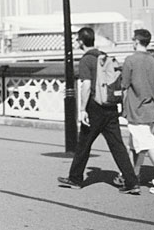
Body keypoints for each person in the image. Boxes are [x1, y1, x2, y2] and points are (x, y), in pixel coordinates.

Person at [57, 27, 139, 193]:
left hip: (94, 107)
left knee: (84, 144)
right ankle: (132, 182)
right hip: (110, 106)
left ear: (80, 41)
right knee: (118, 146)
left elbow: (86, 85)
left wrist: (82, 109)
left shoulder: (86, 60)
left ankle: (75, 178)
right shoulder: (103, 57)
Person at [121, 29, 154, 195]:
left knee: (146, 143)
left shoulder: (130, 60)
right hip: (151, 107)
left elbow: (124, 85)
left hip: (135, 108)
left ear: (136, 41)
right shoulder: (153, 62)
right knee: (136, 143)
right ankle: (131, 175)